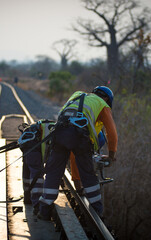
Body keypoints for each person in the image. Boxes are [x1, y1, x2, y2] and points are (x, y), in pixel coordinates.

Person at [38, 86, 118, 220]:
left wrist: (77, 184)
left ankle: (44, 210)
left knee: (53, 171)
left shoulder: (77, 96)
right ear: (106, 99)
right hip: (79, 136)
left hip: (59, 132)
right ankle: (97, 213)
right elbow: (112, 134)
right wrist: (111, 155)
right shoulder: (103, 105)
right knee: (88, 173)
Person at [19, 120, 55, 214]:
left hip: (28, 143)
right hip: (34, 146)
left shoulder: (54, 127)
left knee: (27, 172)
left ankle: (27, 198)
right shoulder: (62, 135)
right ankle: (37, 204)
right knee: (37, 175)